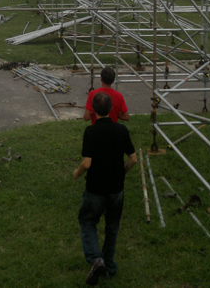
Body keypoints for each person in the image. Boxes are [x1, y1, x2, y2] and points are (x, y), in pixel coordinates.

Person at [73, 91, 137, 285]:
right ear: (111, 109)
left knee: (88, 221)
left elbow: (86, 163)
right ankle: (108, 265)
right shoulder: (121, 130)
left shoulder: (91, 131)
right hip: (116, 188)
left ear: (93, 110)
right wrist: (123, 172)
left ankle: (96, 259)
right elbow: (133, 159)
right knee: (112, 225)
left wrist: (76, 173)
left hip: (95, 188)